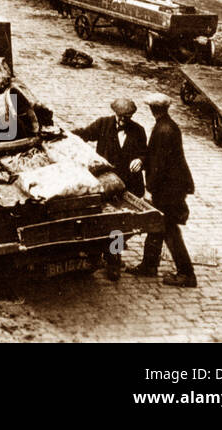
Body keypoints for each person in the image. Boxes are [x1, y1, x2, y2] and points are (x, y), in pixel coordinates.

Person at [74, 99, 147, 280]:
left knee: (119, 225)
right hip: (106, 183)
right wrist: (63, 134)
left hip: (127, 185)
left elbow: (145, 153)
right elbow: (84, 134)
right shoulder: (103, 124)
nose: (123, 121)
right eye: (121, 117)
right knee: (101, 219)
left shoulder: (138, 131)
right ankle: (97, 254)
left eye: (127, 118)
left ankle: (113, 261)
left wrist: (141, 160)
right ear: (115, 113)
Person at [130, 94, 197, 288]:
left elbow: (159, 165)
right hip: (172, 187)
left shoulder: (163, 130)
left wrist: (149, 188)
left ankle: (186, 274)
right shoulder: (168, 125)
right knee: (156, 224)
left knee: (169, 230)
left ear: (152, 109)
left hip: (169, 190)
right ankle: (149, 265)